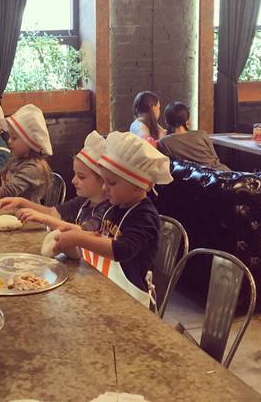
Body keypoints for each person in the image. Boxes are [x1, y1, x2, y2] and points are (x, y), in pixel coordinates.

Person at [53, 131, 172, 307]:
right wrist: (72, 242)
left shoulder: (145, 216)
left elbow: (123, 250)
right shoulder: (114, 208)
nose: (104, 188)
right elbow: (99, 240)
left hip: (131, 302)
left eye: (112, 183)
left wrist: (78, 238)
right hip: (108, 291)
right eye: (104, 182)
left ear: (138, 185)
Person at [0, 130, 110, 232]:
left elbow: (82, 232)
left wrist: (44, 219)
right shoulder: (84, 201)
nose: (73, 181)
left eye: (81, 177)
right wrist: (21, 202)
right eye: (75, 174)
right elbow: (53, 212)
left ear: (104, 180)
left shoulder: (107, 211)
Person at [158, 101, 229, 171]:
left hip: (196, 175)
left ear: (167, 121)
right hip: (220, 172)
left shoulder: (164, 142)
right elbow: (215, 158)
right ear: (187, 120)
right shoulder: (201, 134)